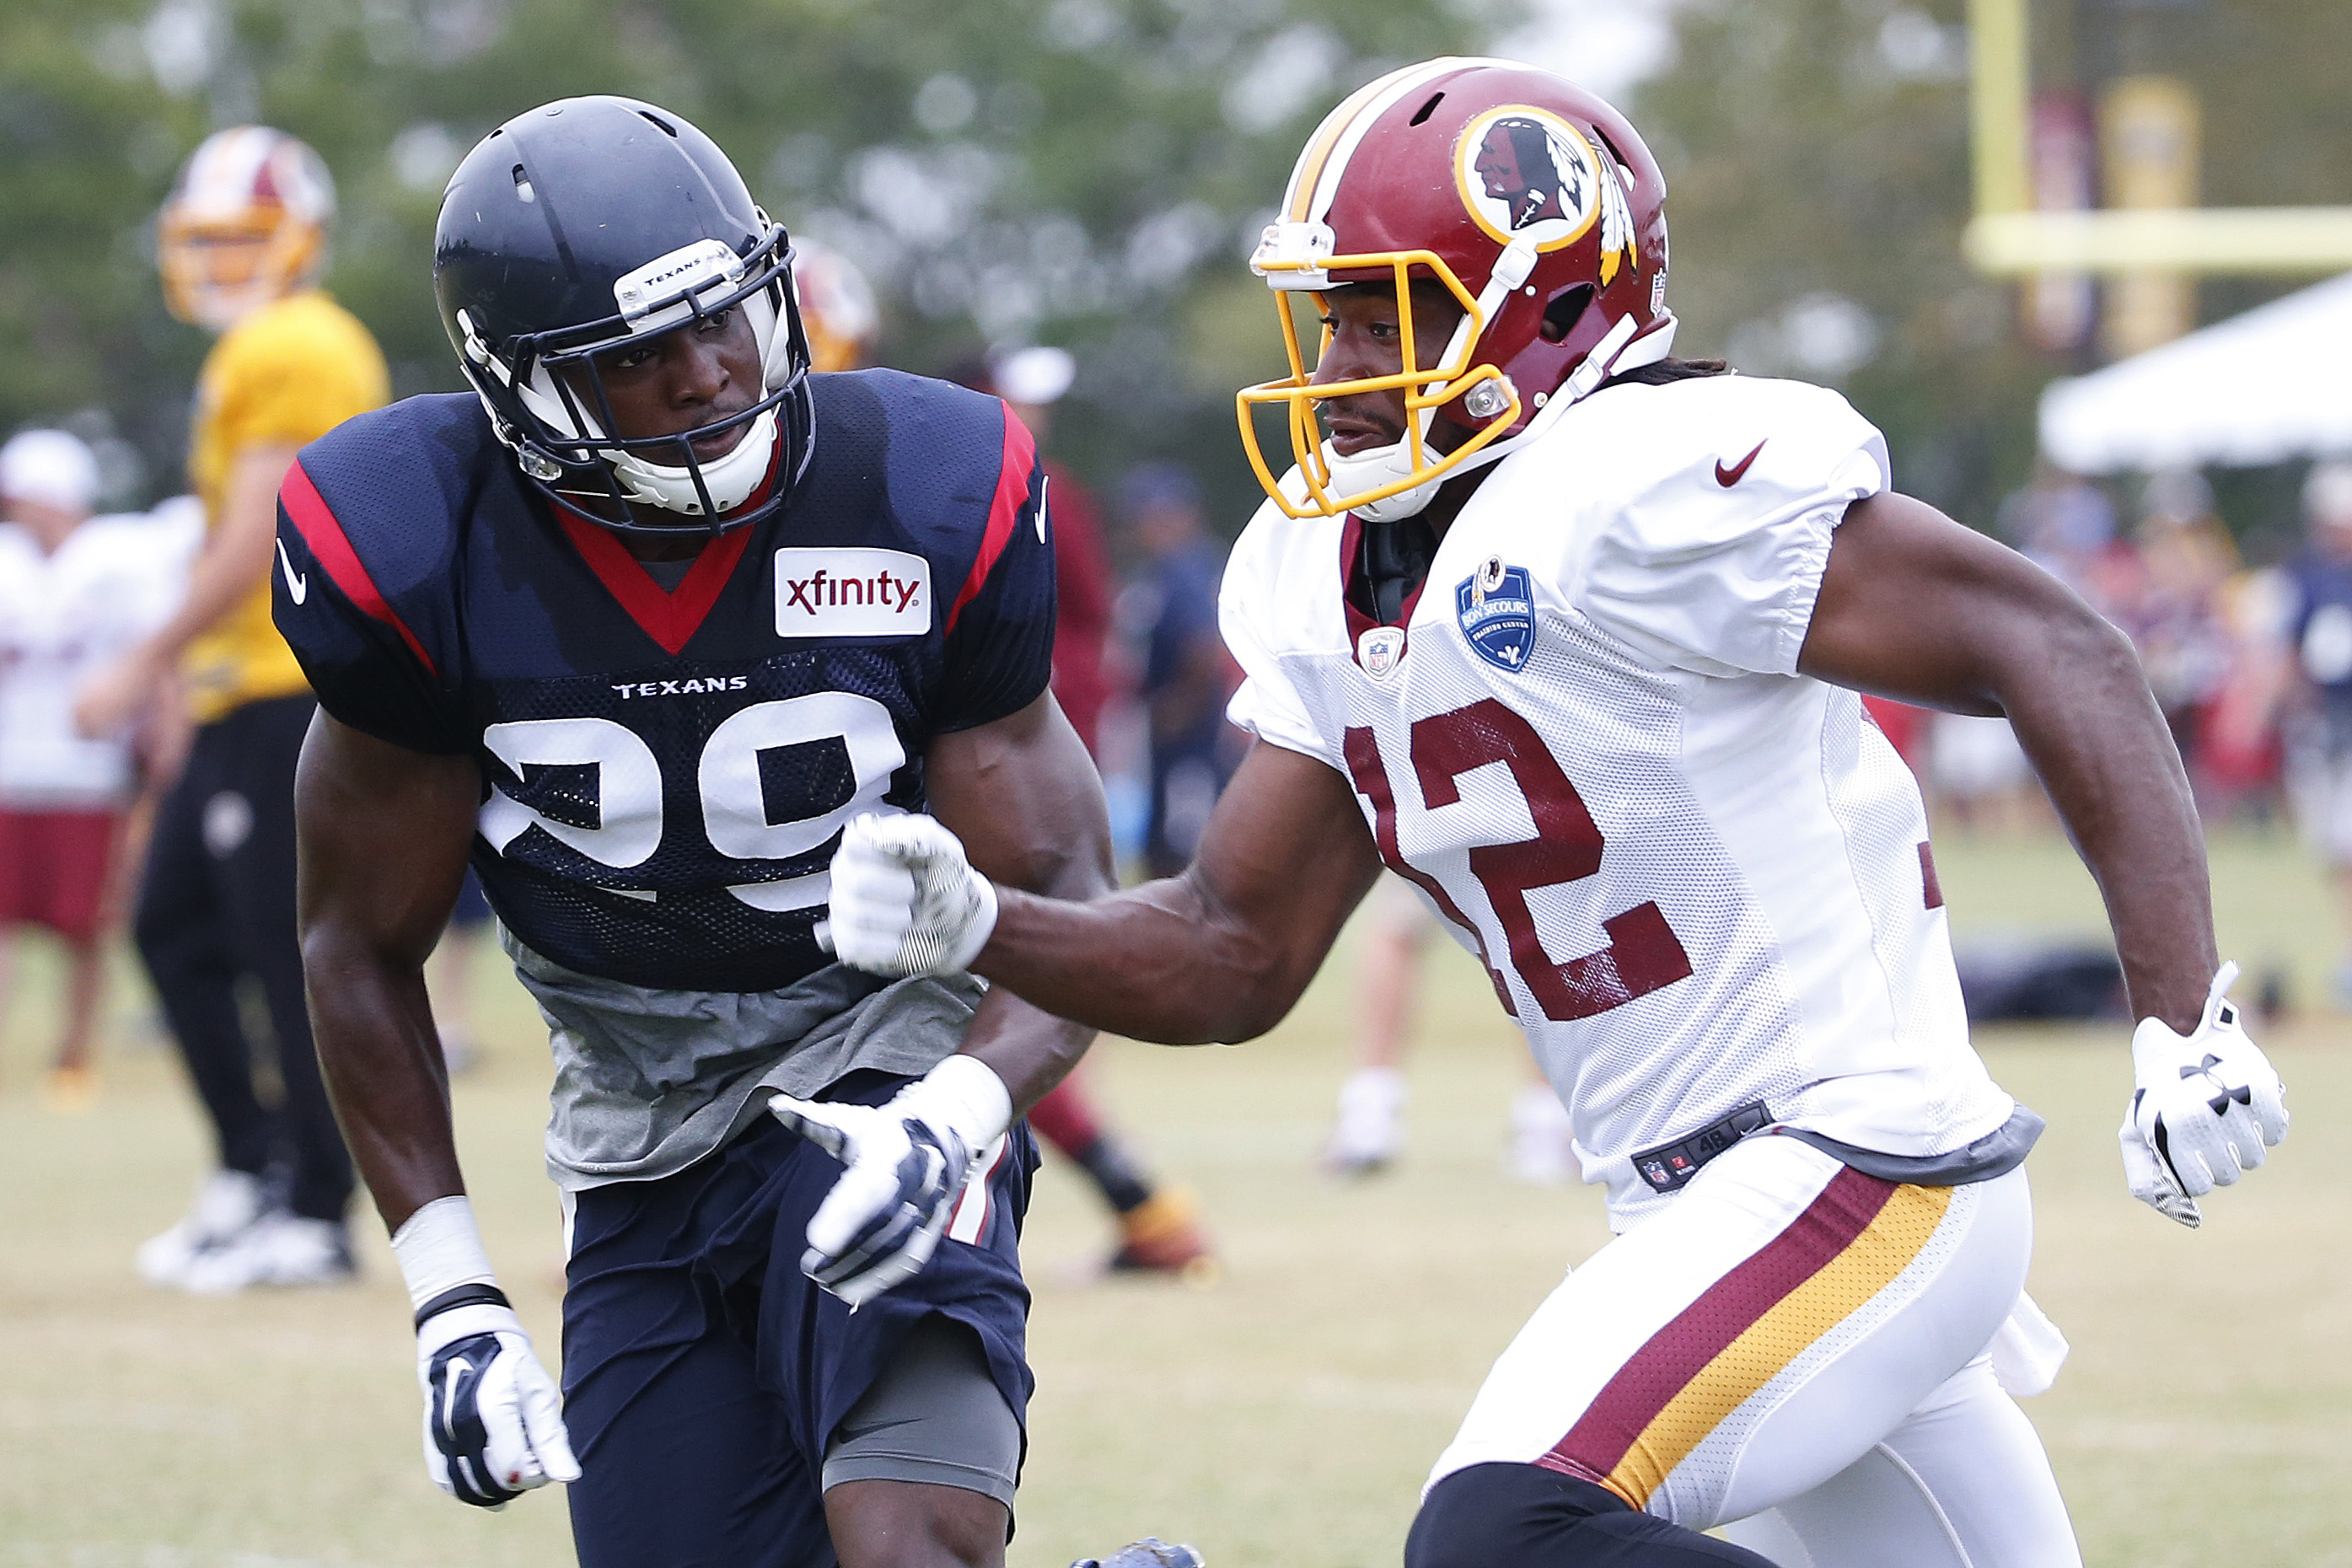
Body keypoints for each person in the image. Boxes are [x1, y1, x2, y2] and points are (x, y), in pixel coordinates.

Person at [810, 61, 2290, 1568]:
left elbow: (2061, 648)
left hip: (1855, 1164)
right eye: (1331, 316)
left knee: (1503, 1535)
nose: (1345, 360)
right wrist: (982, 925)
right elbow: (1231, 948)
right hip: (1696, 1211)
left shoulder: (1642, 485)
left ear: (1555, 309)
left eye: (1392, 315)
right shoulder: (1325, 569)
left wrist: (2183, 1017)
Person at [272, 96, 1130, 1568]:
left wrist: (961, 1114)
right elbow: (356, 940)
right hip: (634, 1122)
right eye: (633, 357)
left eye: (725, 315)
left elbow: (1064, 887)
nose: (707, 372)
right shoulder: (414, 545)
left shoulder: (921, 487)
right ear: (518, 388)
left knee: (908, 1541)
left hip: (886, 1058)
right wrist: (454, 1297)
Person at [72, 127, 388, 1290]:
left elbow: (262, 531)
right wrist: (181, 678)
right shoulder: (260, 344)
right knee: (175, 929)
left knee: (276, 948)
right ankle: (252, 1173)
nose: (220, 261)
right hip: (239, 689)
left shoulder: (299, 342)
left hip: (290, 691)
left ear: (299, 239)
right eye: (206, 240)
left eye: (242, 238)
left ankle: (314, 1206)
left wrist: (143, 657)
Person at [979, 346, 1215, 1275]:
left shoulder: (1027, 486)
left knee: (988, 986)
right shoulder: (1007, 480)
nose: (1034, 417)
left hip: (1018, 766)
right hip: (1033, 757)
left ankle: (1142, 1205)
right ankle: (1139, 1207)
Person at [0, 430, 188, 1109]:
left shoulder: (119, 558)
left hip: (89, 774)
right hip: (12, 771)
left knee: (85, 926)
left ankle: (74, 1052)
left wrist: (167, 740)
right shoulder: (9, 564)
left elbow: (161, 655)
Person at [1121, 462, 1243, 878]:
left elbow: (1202, 646)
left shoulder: (1185, 568)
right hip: (1193, 726)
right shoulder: (1179, 566)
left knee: (1182, 842)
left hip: (1194, 730)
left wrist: (1179, 705)